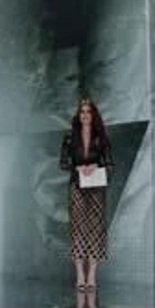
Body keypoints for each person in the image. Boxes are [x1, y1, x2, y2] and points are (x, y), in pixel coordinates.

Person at [59, 98, 112, 295]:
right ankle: (80, 274)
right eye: (82, 112)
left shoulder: (101, 136)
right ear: (78, 115)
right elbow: (63, 163)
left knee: (95, 230)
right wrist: (78, 166)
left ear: (93, 114)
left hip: (96, 187)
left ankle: (92, 276)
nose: (85, 115)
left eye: (88, 112)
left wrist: (95, 166)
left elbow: (110, 164)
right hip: (77, 185)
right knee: (78, 229)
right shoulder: (70, 136)